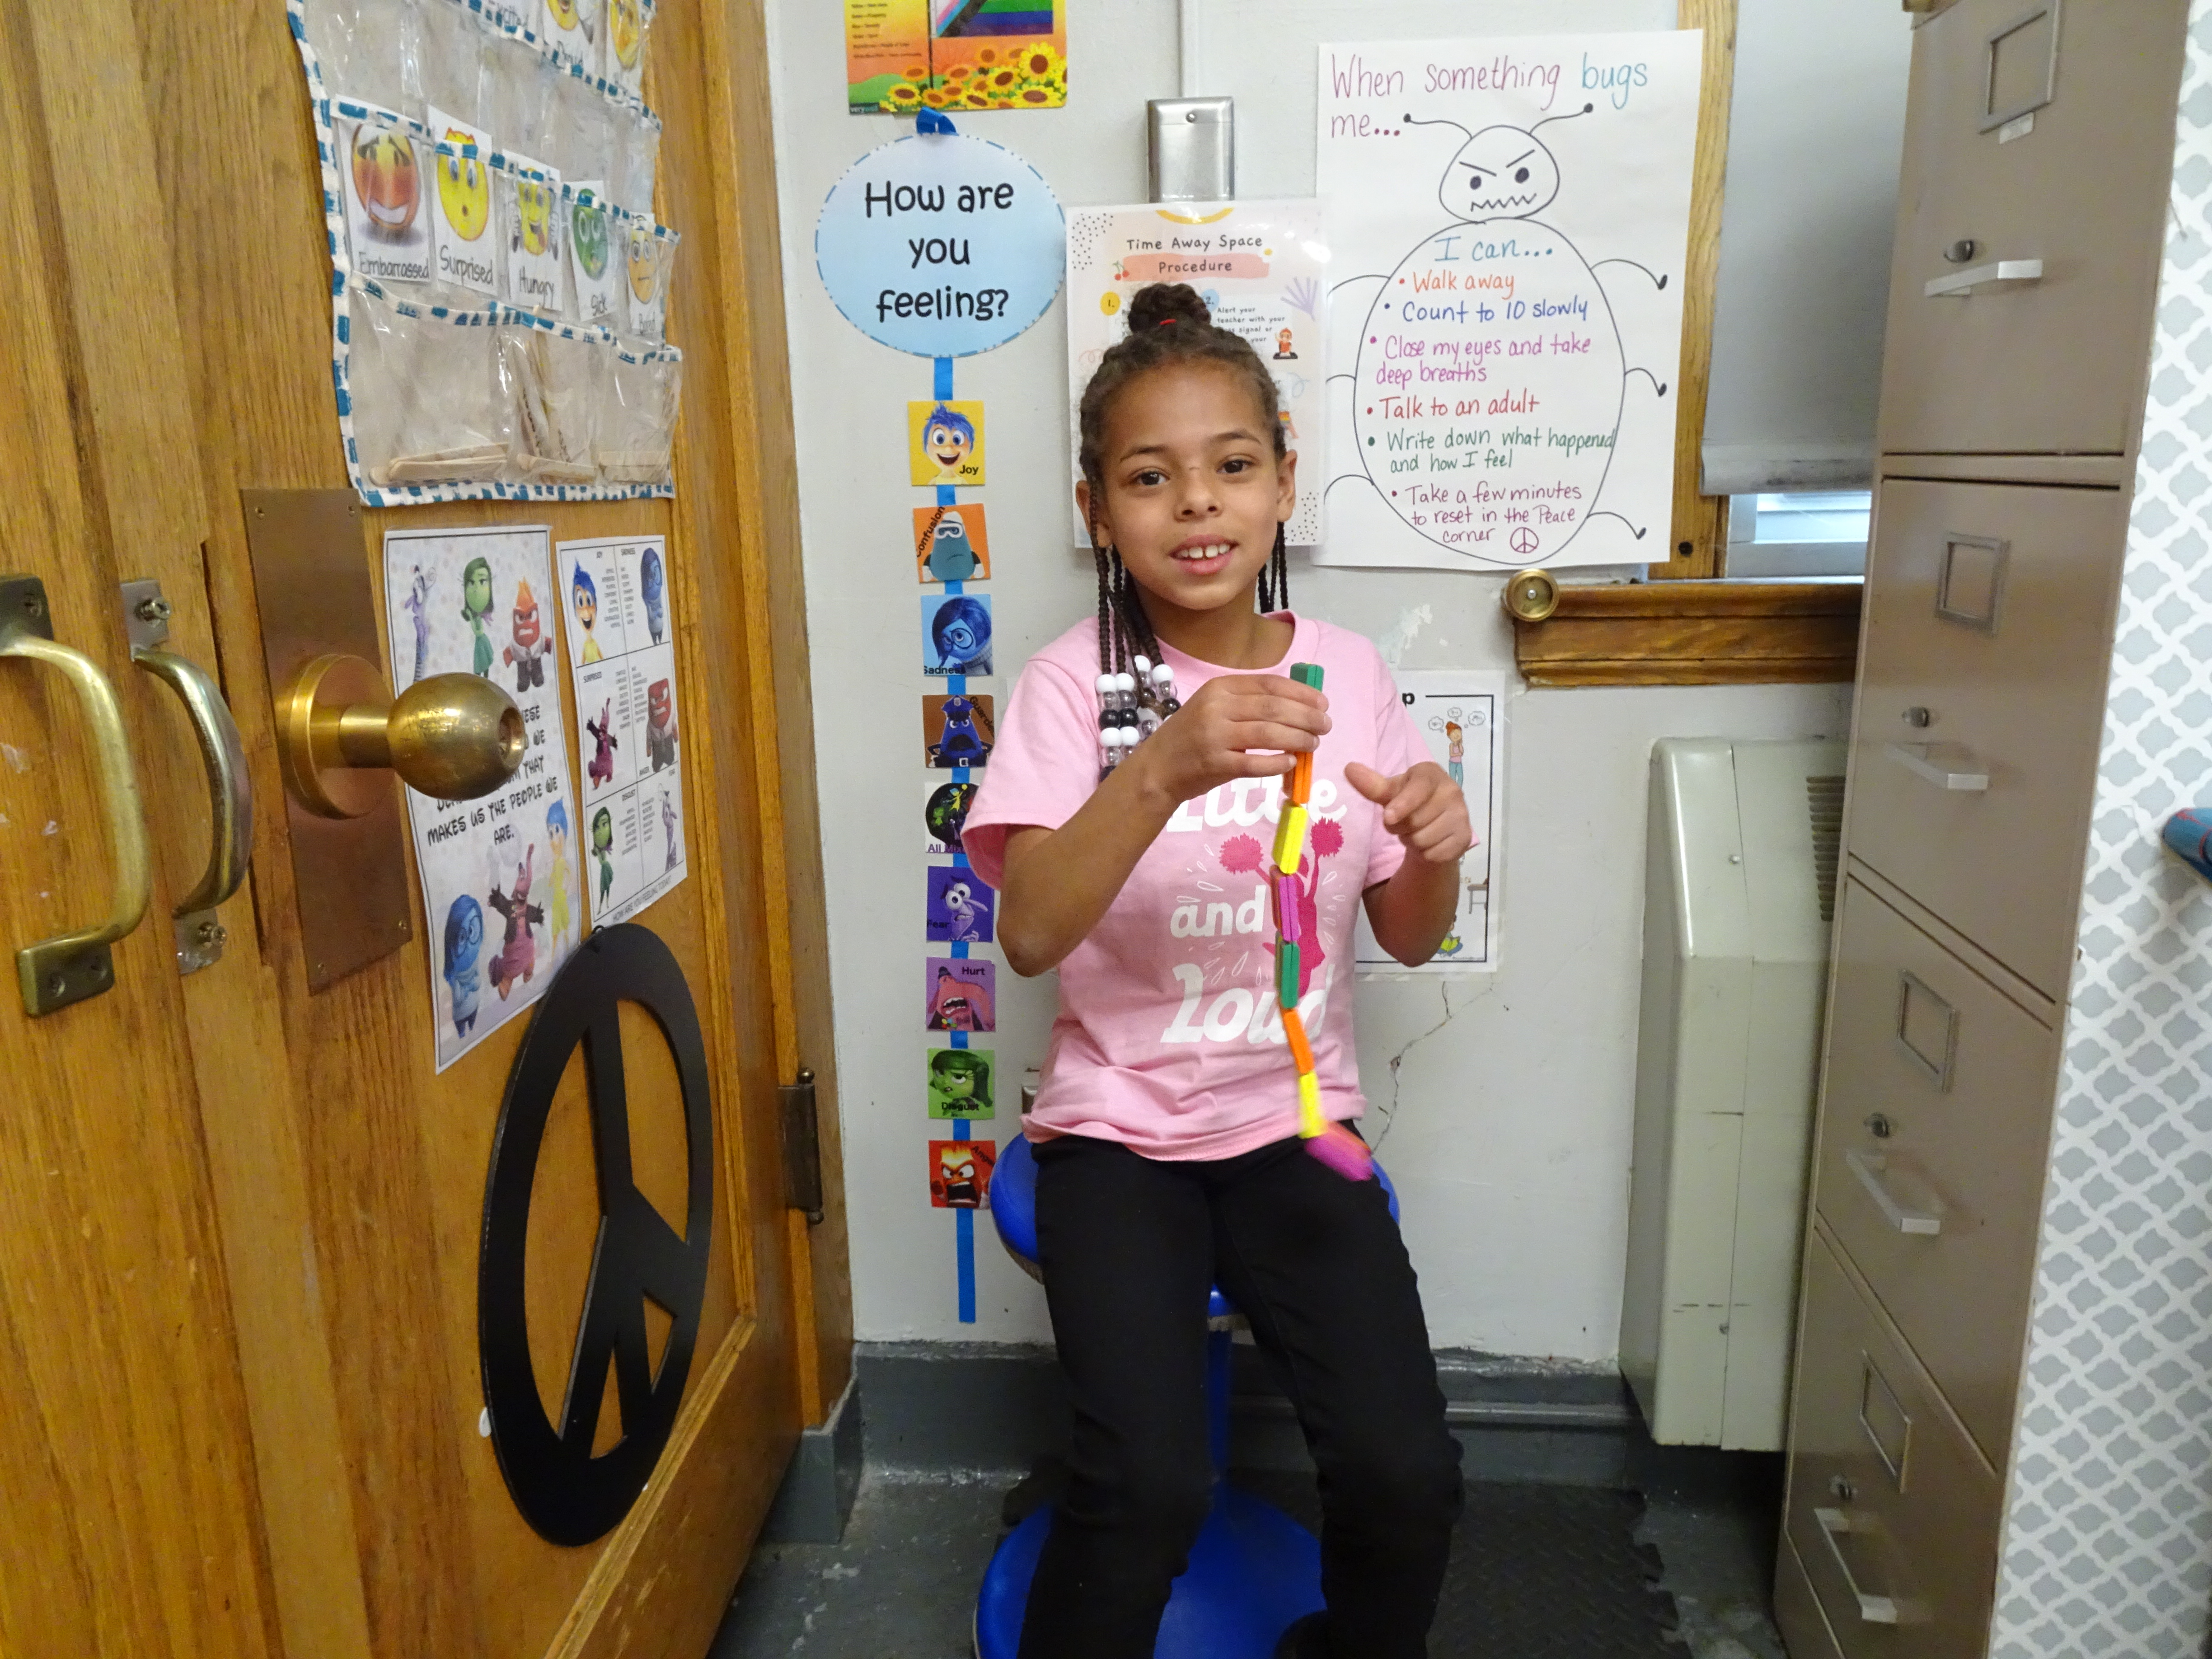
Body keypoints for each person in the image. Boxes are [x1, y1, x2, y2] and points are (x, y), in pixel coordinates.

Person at [961, 282, 1470, 1659]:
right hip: (1118, 1134)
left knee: (1409, 1477)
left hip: (1295, 1126)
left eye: (1232, 467)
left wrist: (1436, 845)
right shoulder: (1073, 690)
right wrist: (1167, 762)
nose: (1197, 506)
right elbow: (1030, 932)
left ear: (1283, 481)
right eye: (1150, 478)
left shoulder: (1348, 673)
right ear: (1098, 510)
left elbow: (1409, 933)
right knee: (1145, 1490)